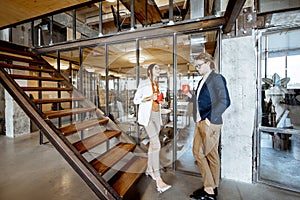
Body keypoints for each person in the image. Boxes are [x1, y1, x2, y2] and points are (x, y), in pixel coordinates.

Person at [182, 52, 230, 200]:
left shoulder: (217, 78)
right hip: (200, 121)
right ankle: (212, 188)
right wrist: (191, 96)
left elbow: (225, 101)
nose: (197, 68)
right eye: (195, 66)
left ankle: (209, 190)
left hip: (209, 122)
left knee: (199, 153)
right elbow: (202, 101)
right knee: (211, 155)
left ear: (208, 63)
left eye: (199, 65)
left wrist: (210, 118)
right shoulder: (203, 80)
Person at [133, 63, 171, 193]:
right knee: (157, 144)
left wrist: (161, 101)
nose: (159, 70)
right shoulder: (144, 83)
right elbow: (136, 100)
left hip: (156, 116)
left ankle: (149, 169)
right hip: (147, 117)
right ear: (150, 71)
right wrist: (150, 97)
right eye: (156, 68)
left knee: (152, 146)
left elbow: (160, 100)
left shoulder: (158, 84)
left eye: (159, 68)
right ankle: (159, 180)